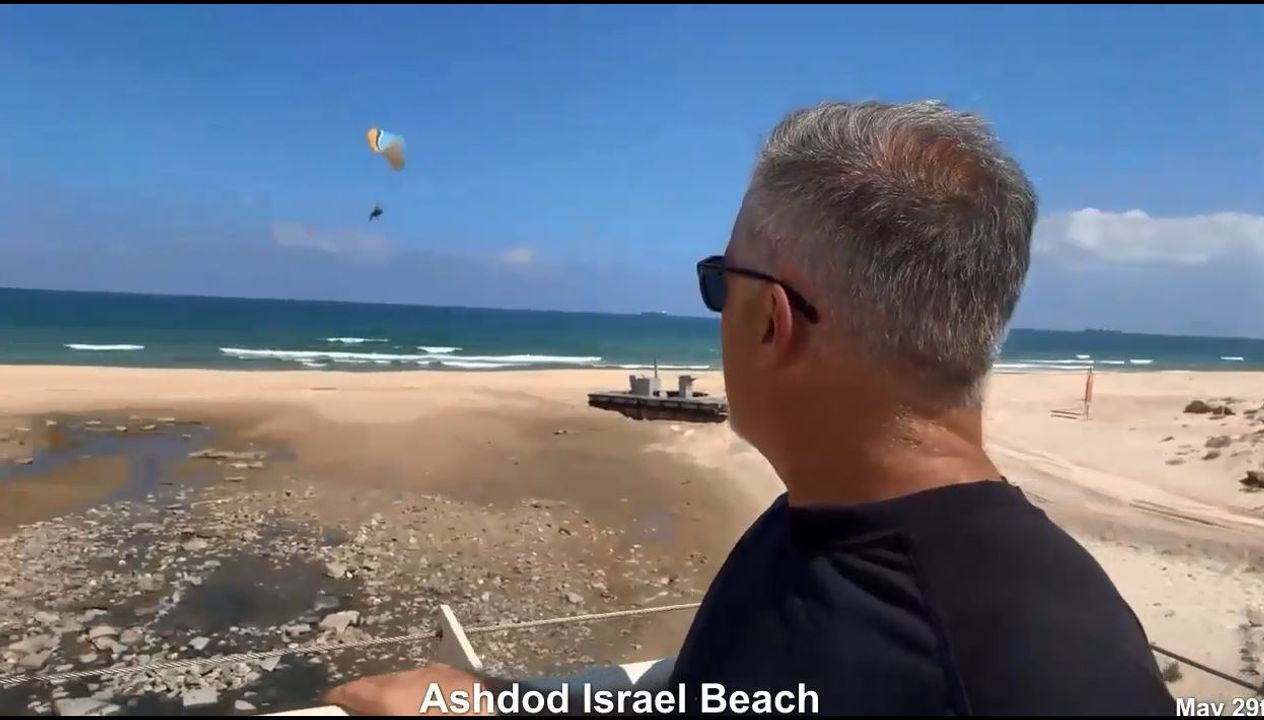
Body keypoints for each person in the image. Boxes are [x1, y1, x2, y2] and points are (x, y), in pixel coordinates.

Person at [324, 100, 1176, 715]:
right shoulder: (816, 520)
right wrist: (497, 702)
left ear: (772, 322)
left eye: (718, 281)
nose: (716, 307)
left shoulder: (1033, 675)